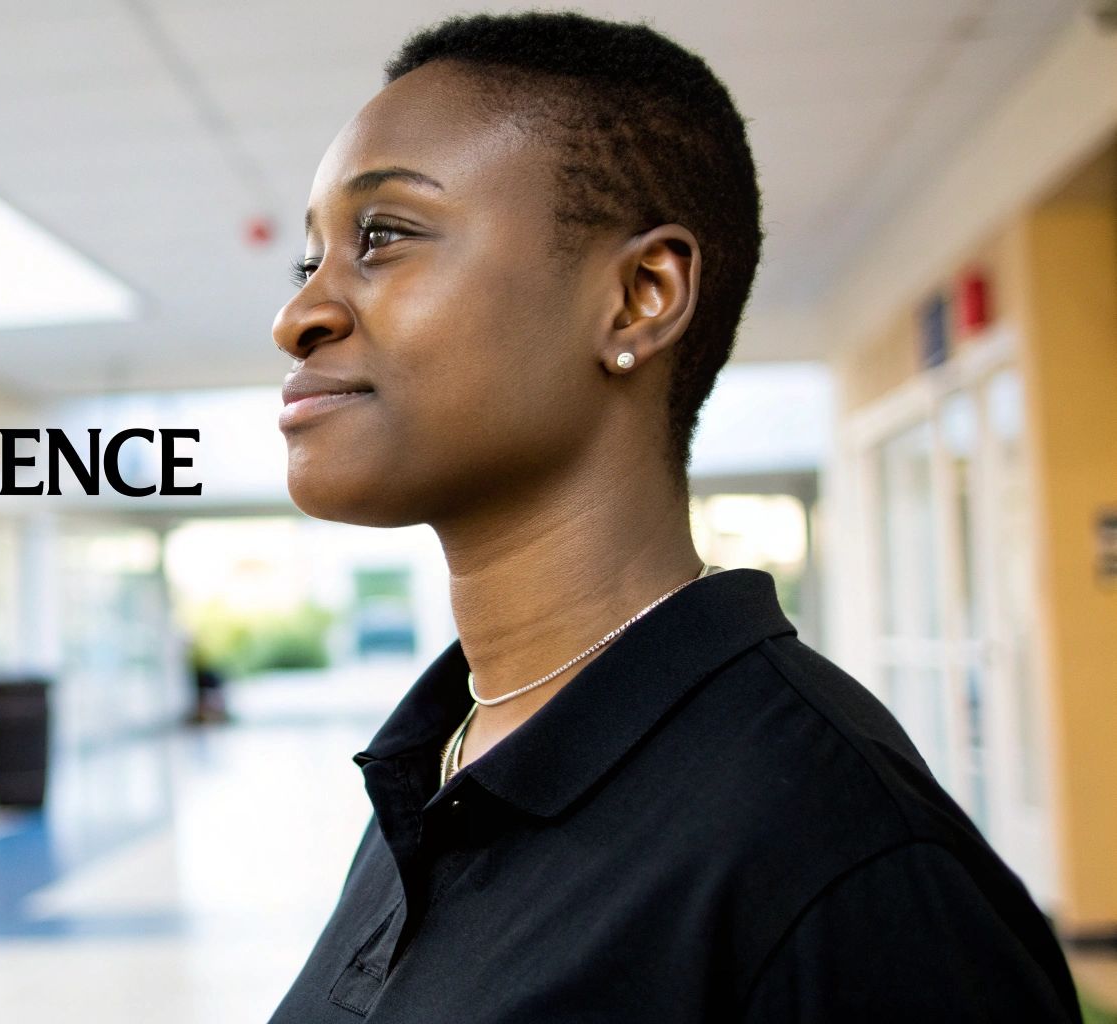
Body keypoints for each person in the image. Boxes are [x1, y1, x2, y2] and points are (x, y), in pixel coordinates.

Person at [265, 12, 1080, 1023]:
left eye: (382, 237)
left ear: (638, 295)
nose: (297, 316)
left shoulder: (840, 862)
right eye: (308, 263)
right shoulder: (440, 761)